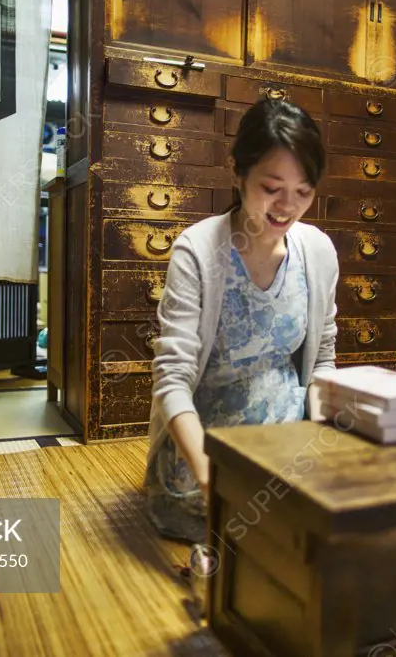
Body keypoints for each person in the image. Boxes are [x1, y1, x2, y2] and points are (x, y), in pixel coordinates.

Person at [144, 98, 338, 545]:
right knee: (252, 536)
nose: (287, 206)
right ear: (238, 172)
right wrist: (210, 475)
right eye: (272, 187)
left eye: (304, 192)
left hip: (287, 443)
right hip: (208, 451)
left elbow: (323, 358)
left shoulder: (318, 251)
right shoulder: (198, 250)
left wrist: (327, 437)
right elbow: (171, 380)